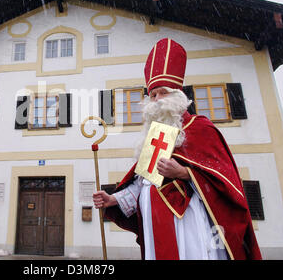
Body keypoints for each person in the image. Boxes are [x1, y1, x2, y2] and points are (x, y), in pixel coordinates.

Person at [93, 38, 262, 260]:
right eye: (152, 95)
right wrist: (113, 199)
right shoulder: (154, 136)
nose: (156, 100)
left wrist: (183, 173)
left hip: (189, 223)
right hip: (156, 224)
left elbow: (224, 181)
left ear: (177, 96)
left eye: (163, 92)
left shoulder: (200, 128)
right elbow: (143, 184)